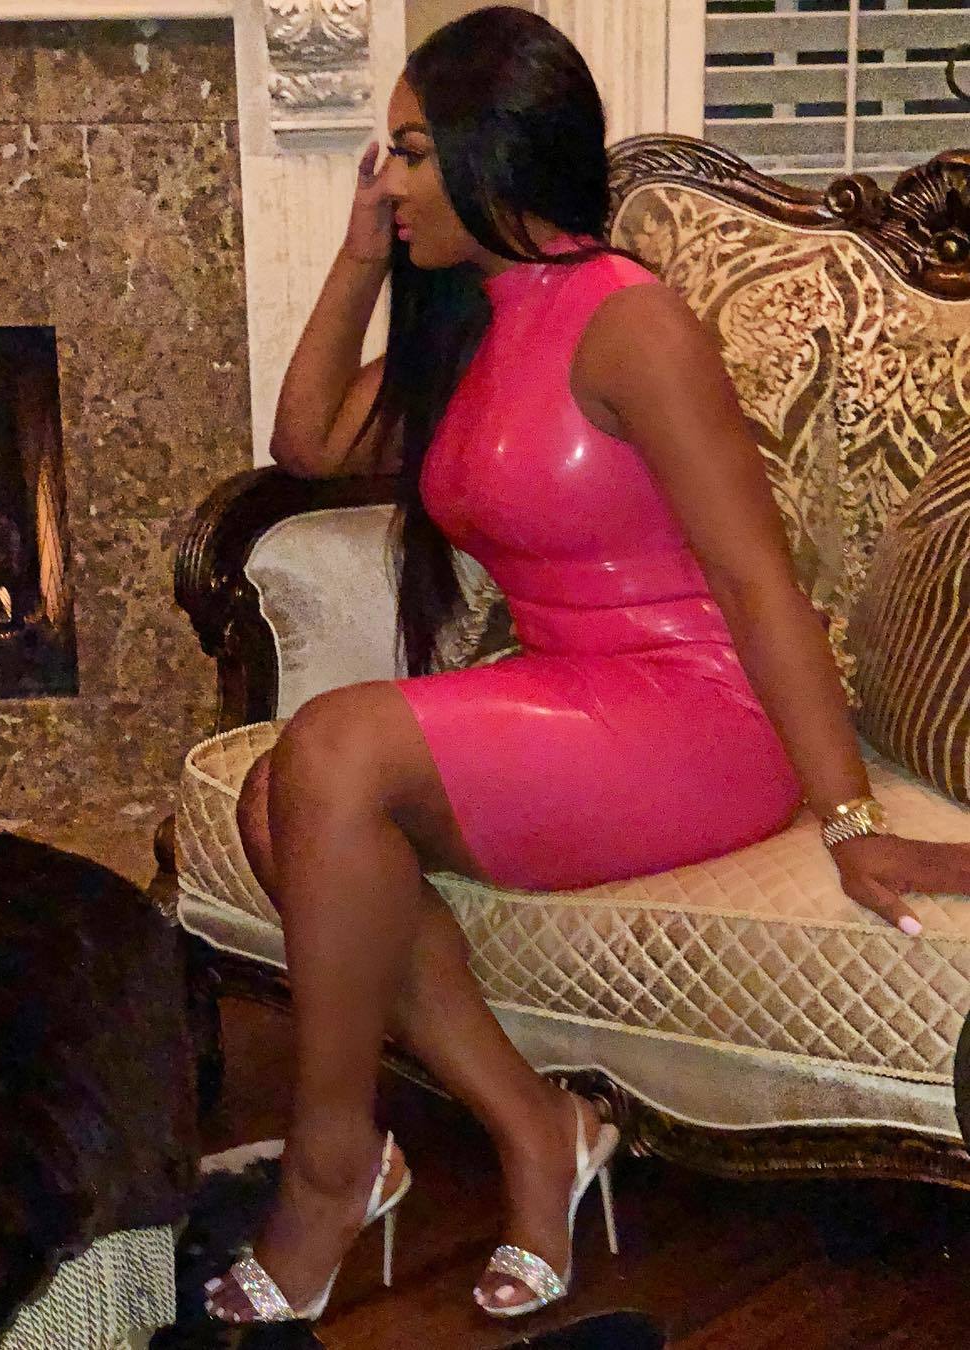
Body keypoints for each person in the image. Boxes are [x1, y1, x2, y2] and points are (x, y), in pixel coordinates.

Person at [203, 4, 970, 1328]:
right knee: (284, 801)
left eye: (410, 153)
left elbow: (756, 581)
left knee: (326, 749)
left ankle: (333, 1168)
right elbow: (311, 438)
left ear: (493, 155)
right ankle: (538, 1128)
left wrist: (849, 815)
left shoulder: (632, 325)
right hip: (571, 696)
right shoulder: (469, 322)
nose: (388, 181)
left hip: (699, 718)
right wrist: (359, 254)